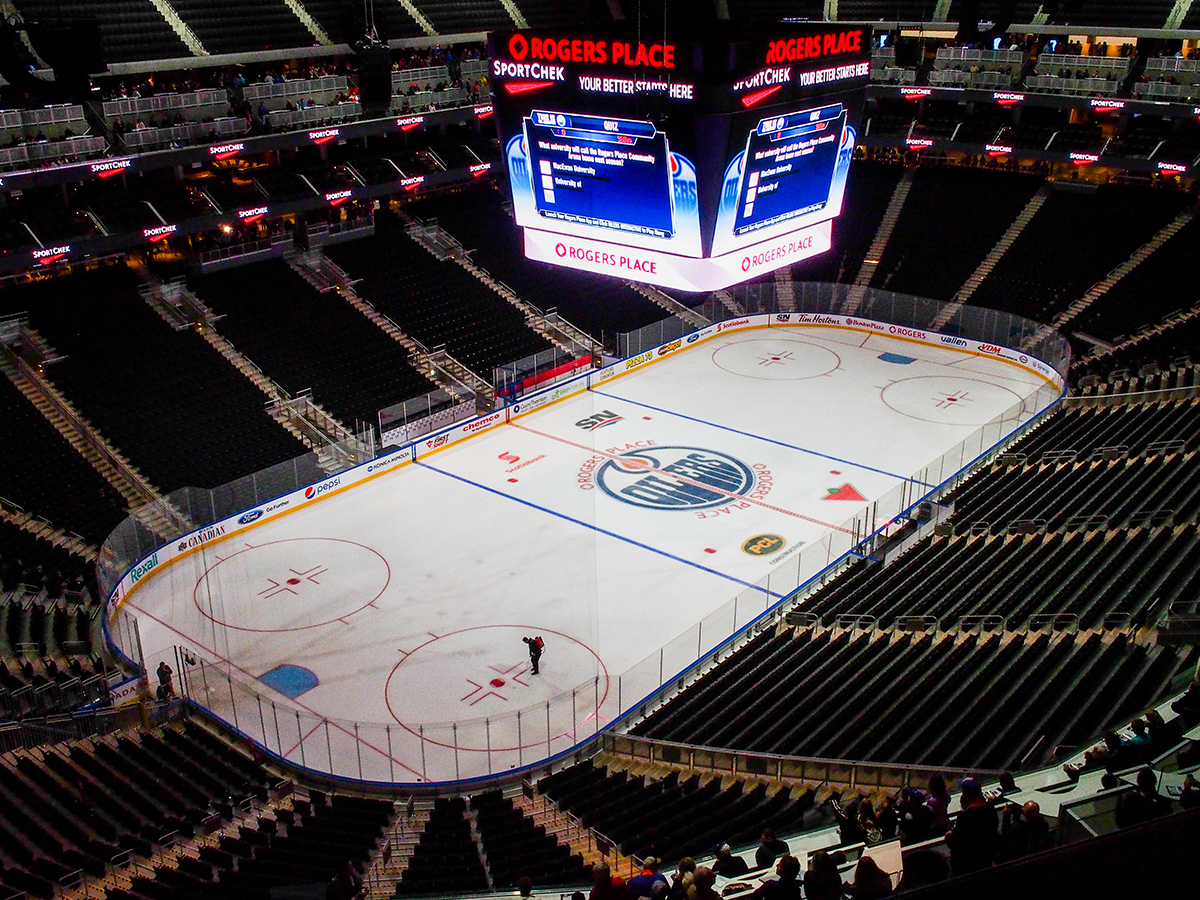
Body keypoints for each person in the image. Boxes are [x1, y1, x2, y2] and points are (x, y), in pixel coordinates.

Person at [945, 779, 998, 877]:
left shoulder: (965, 816)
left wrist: (949, 835)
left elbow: (956, 842)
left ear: (965, 794)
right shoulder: (990, 808)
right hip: (986, 856)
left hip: (969, 863)